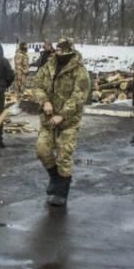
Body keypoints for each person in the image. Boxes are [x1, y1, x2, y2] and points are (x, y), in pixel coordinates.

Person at [33, 38, 89, 207]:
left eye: (61, 51)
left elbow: (79, 97)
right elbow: (36, 85)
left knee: (64, 155)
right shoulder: (48, 65)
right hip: (48, 119)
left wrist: (63, 115)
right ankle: (54, 178)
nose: (57, 53)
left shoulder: (79, 70)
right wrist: (44, 102)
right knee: (42, 150)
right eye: (56, 50)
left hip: (69, 121)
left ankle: (61, 193)